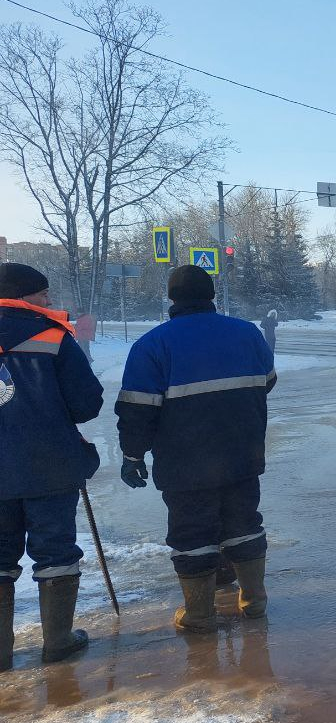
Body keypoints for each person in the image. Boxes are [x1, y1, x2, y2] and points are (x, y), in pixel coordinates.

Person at [116, 265, 276, 633]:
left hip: (184, 461)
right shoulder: (248, 334)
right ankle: (254, 602)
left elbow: (137, 408)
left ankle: (200, 615)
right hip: (242, 452)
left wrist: (132, 454)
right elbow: (266, 382)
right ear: (212, 295)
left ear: (172, 298)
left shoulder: (153, 344)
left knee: (191, 534)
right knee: (244, 523)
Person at [0, 263, 103, 671]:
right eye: (42, 294)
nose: (48, 301)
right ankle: (57, 640)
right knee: (56, 550)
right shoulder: (52, 336)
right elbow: (86, 403)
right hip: (50, 464)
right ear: (24, 295)